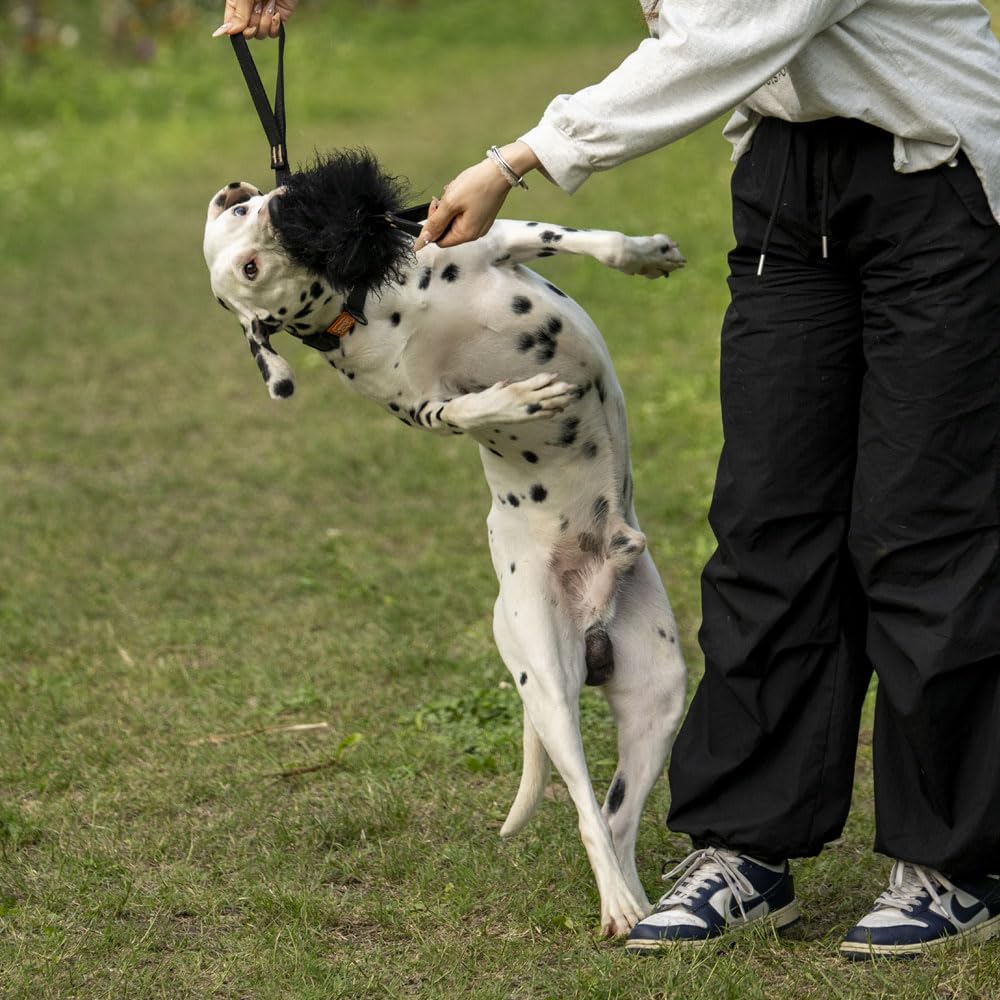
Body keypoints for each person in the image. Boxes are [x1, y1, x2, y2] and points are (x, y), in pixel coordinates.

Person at [216, 1, 1000, 959]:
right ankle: (747, 846)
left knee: (923, 527)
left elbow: (723, 35)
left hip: (934, 172)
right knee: (768, 522)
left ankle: (953, 863)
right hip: (787, 185)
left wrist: (518, 160)